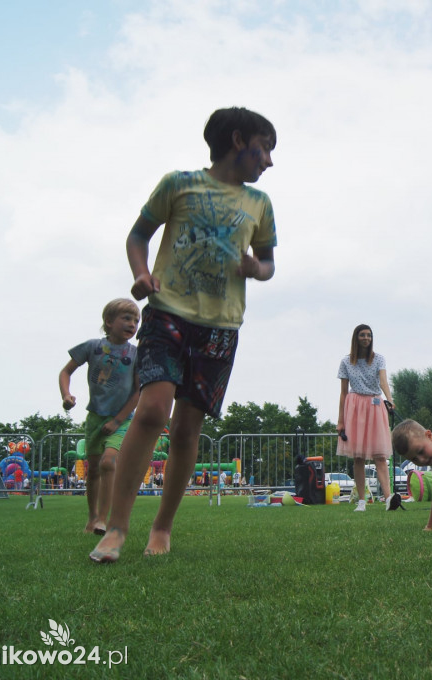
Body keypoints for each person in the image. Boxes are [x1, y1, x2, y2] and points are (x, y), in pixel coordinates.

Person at [90, 107, 278, 563]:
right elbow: (138, 236)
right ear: (238, 140)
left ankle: (163, 527)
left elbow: (270, 263)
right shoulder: (178, 184)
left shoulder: (260, 204)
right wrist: (140, 274)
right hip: (168, 313)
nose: (269, 161)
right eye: (265, 148)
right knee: (153, 410)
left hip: (221, 325)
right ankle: (116, 529)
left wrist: (257, 268)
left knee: (187, 429)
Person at [59, 298, 140, 534]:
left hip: (122, 419)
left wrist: (117, 421)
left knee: (108, 462)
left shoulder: (135, 354)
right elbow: (66, 371)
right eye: (126, 318)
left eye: (136, 320)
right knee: (93, 470)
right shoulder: (93, 347)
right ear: (108, 321)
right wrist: (67, 395)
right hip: (95, 417)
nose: (132, 324)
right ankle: (92, 518)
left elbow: (138, 392)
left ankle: (103, 520)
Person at [336, 324, 398, 512]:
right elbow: (343, 393)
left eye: (369, 335)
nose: (366, 338)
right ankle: (361, 501)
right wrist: (340, 421)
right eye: (362, 335)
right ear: (356, 338)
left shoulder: (379, 359)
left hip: (375, 404)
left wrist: (389, 399)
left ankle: (388, 498)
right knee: (358, 457)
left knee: (380, 455)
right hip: (354, 406)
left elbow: (383, 382)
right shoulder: (346, 362)